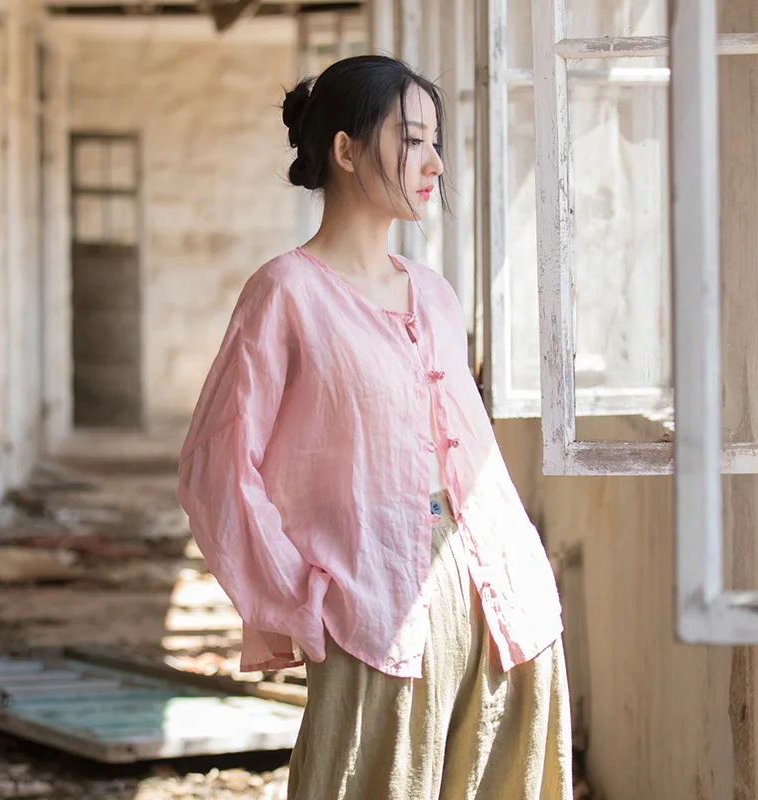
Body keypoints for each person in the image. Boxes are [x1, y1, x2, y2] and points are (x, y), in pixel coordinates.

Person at [177, 54, 571, 800]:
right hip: (373, 600)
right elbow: (217, 466)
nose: (436, 163)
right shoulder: (285, 293)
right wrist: (296, 592)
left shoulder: (437, 295)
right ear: (346, 149)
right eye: (413, 139)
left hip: (503, 600)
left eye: (435, 142)